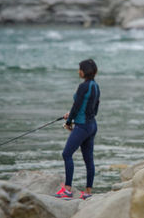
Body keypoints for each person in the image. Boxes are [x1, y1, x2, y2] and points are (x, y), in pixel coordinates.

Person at [55, 59, 100, 200]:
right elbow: (94, 108)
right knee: (88, 160)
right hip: (92, 125)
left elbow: (76, 106)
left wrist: (69, 121)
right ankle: (88, 192)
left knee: (66, 154)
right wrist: (75, 114)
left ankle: (67, 190)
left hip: (83, 126)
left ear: (83, 71)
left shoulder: (83, 86)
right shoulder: (96, 86)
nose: (78, 71)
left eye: (79, 68)